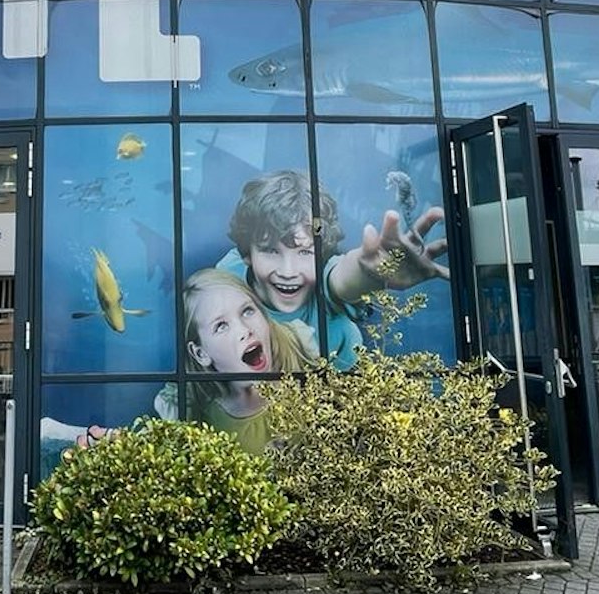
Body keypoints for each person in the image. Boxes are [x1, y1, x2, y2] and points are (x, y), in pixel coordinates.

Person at [216, 170, 448, 369]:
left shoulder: (328, 290)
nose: (288, 271)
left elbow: (341, 280)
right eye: (271, 251)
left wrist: (370, 273)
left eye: (305, 252)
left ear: (322, 254)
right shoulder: (227, 278)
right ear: (247, 255)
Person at [174, 268, 314, 453]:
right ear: (201, 354)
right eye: (221, 326)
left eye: (247, 311)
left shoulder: (302, 352)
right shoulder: (203, 423)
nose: (244, 330)